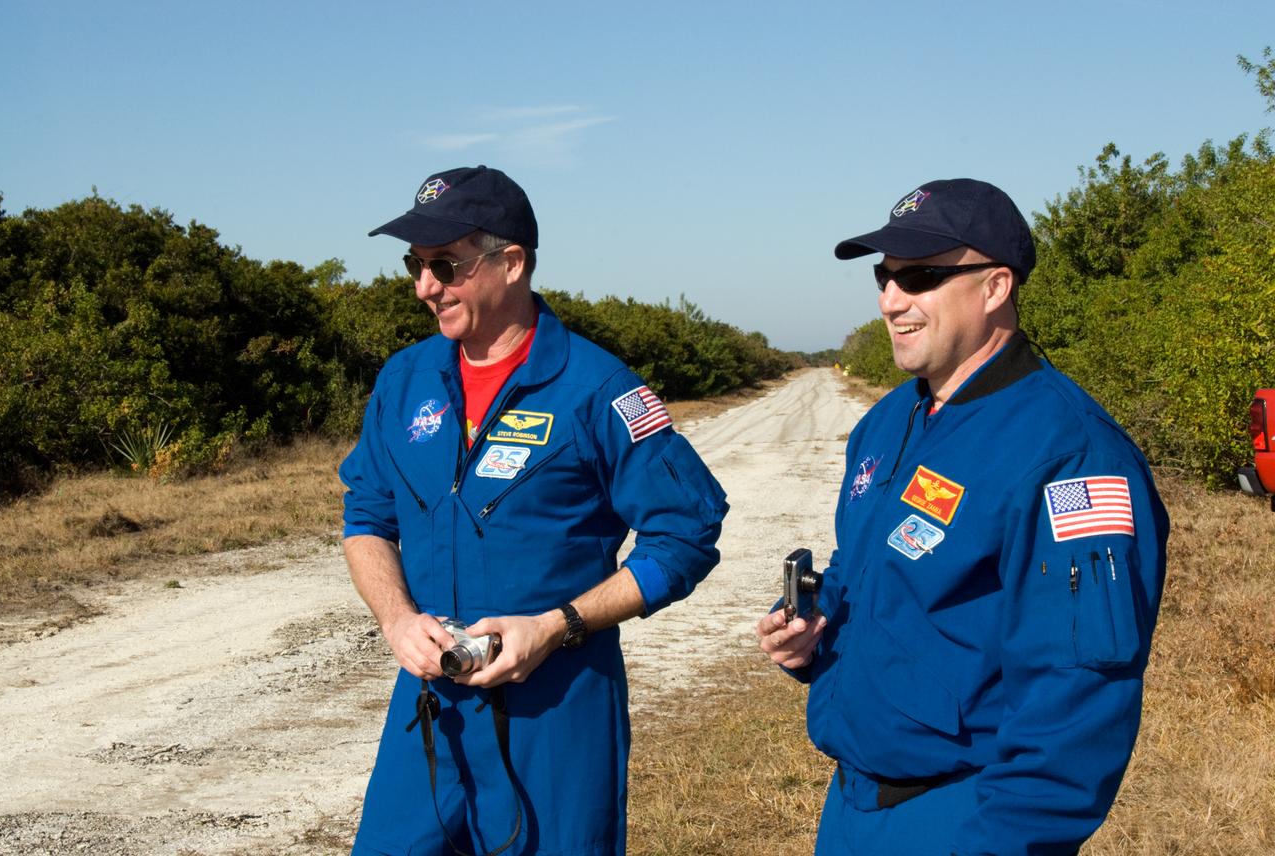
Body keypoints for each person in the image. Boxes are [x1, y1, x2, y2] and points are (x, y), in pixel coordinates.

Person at [756, 178, 1169, 855]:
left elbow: (1079, 699)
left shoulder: (1071, 454)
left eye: (920, 276)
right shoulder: (888, 423)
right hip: (851, 810)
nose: (892, 300)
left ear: (996, 286)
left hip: (962, 818)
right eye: (883, 277)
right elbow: (871, 576)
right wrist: (813, 627)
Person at [341, 165, 728, 856]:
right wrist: (397, 620)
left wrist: (558, 626)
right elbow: (366, 517)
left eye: (445, 265)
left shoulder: (598, 389)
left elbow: (686, 532)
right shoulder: (403, 382)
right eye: (415, 265)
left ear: (511, 262)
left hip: (556, 711)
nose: (425, 287)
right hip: (431, 710)